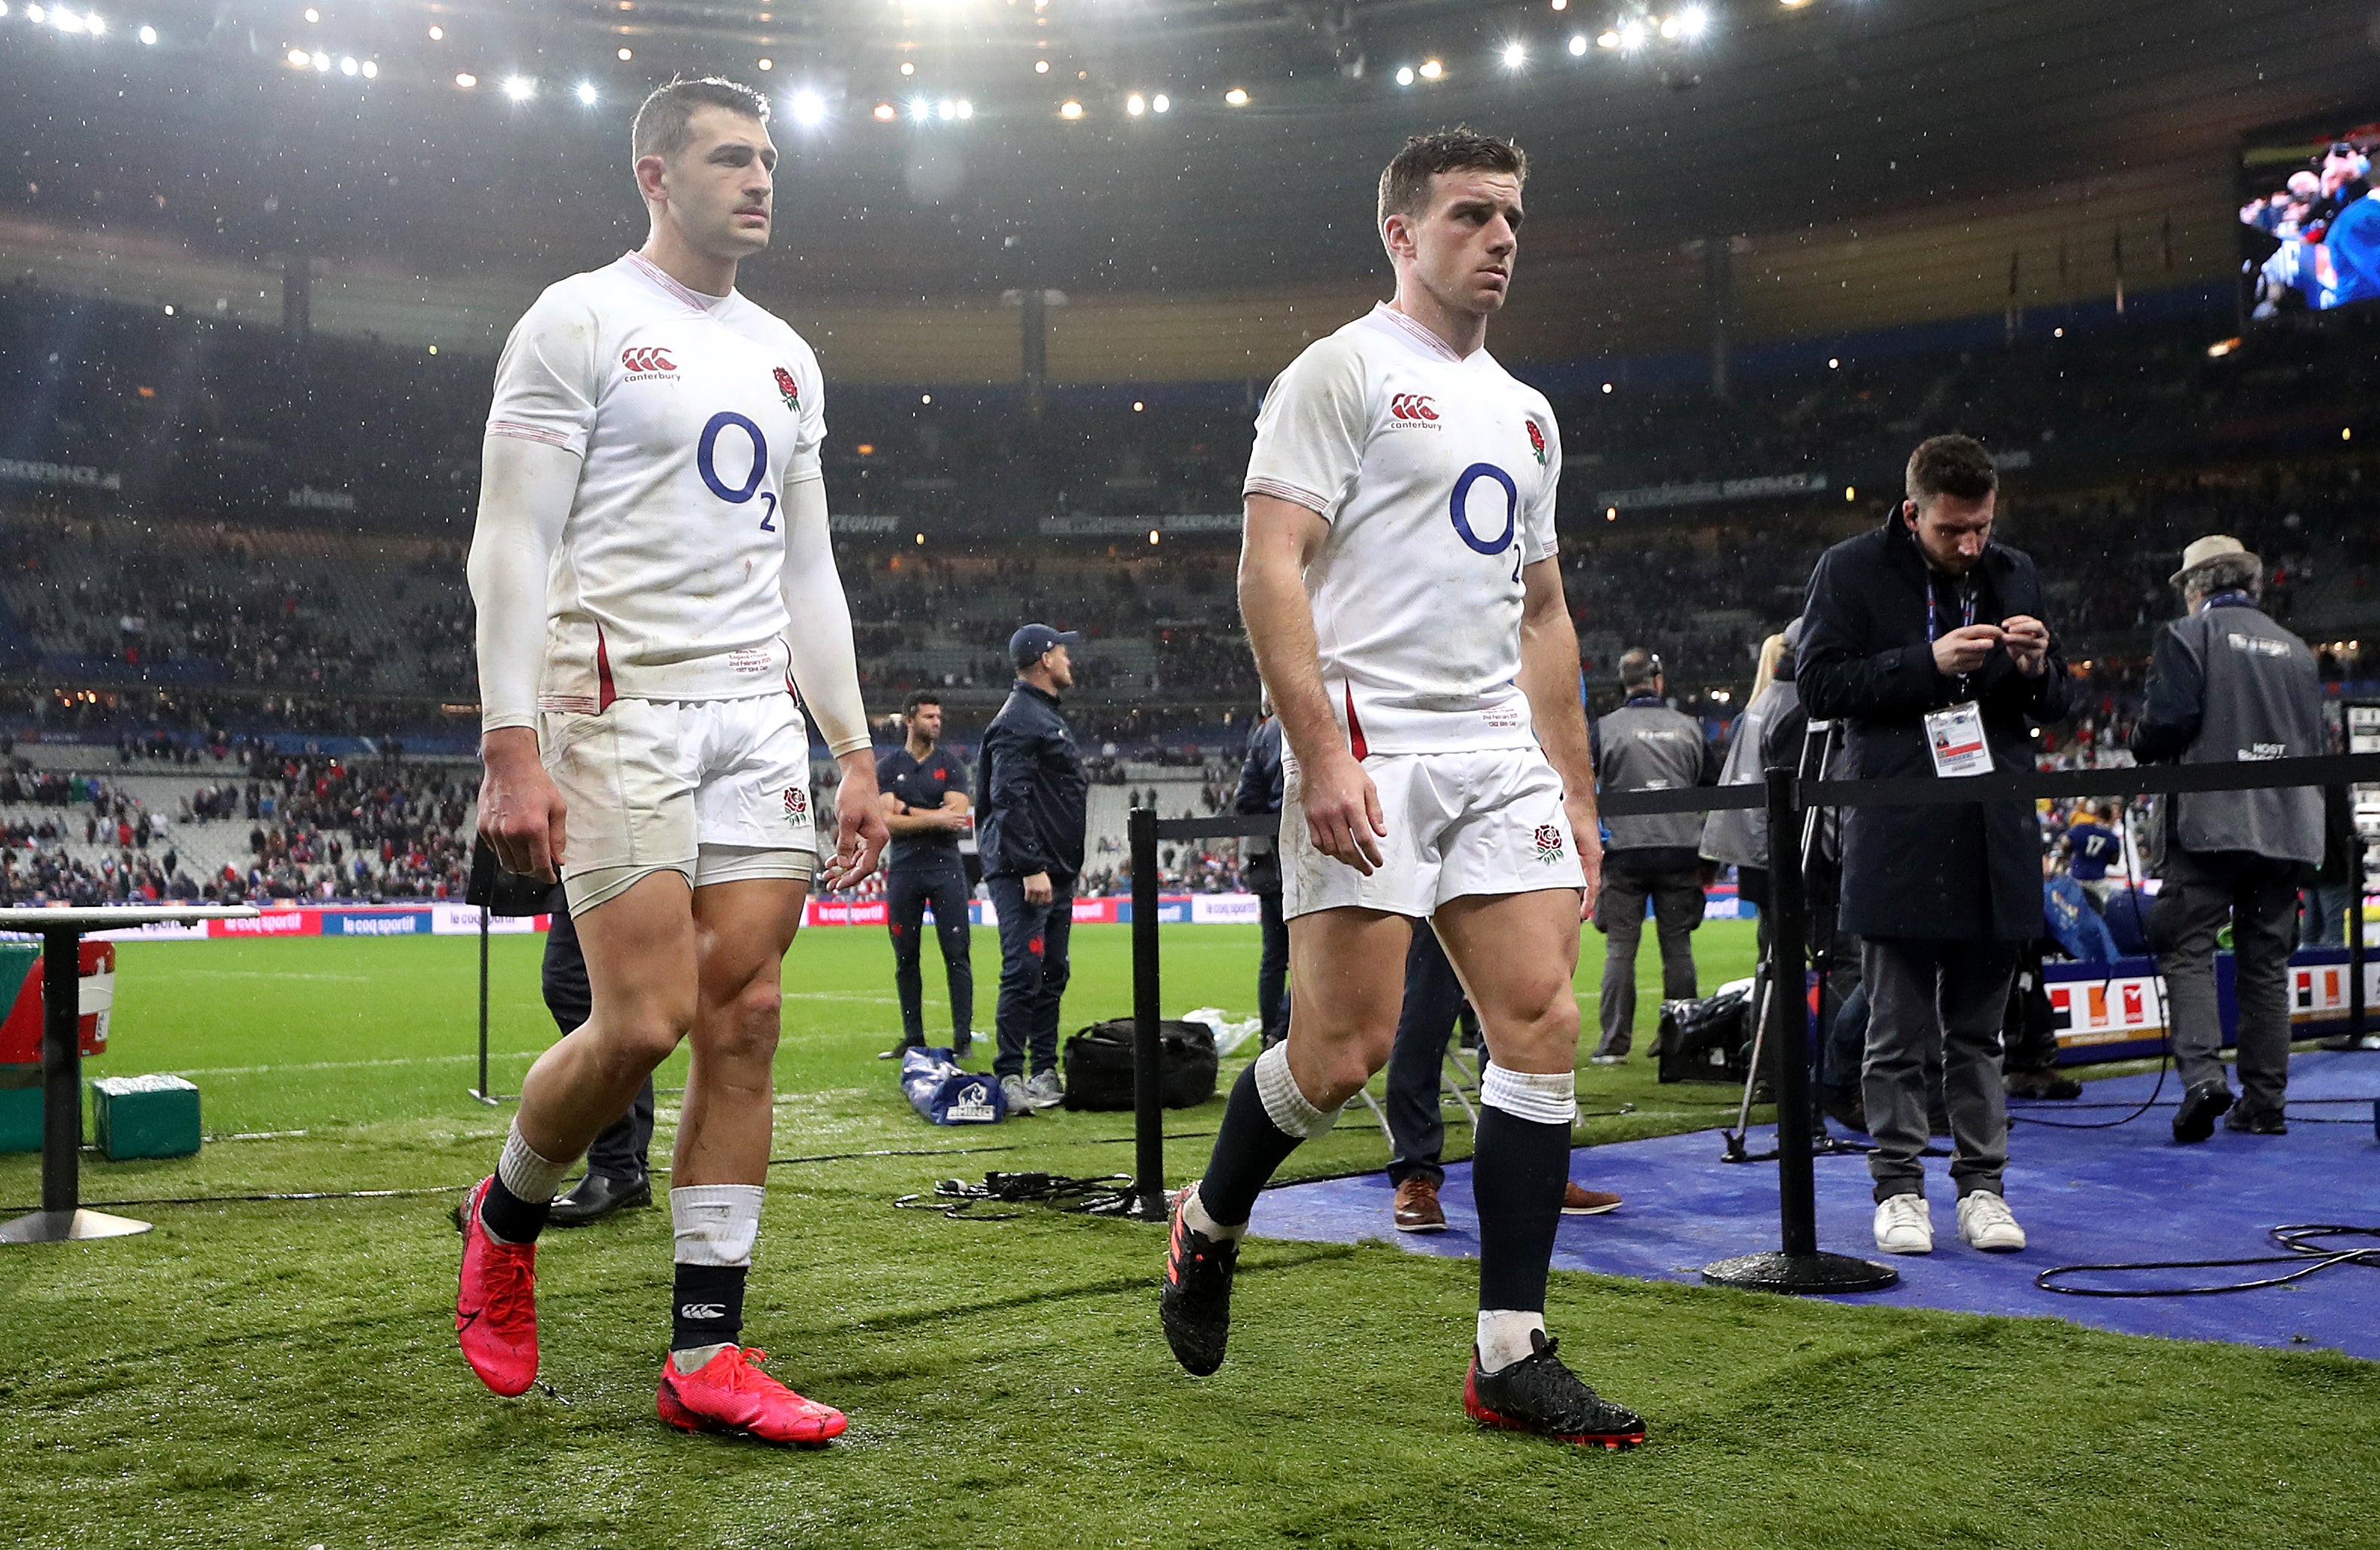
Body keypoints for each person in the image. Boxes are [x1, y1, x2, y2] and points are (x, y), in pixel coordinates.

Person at [1160, 127, 1644, 1448]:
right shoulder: (1340, 372)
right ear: (1402, 231)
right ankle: (1207, 1224)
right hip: (1371, 748)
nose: (1499, 238)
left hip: (1495, 752)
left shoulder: (1532, 412)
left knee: (1537, 1021)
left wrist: (1578, 792)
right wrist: (1318, 752)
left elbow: (1543, 612)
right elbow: (1269, 567)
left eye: (1511, 218)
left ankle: (1510, 1346)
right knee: (1340, 1052)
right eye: (1472, 215)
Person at [459, 78, 887, 1445]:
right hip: (614, 695)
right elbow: (510, 541)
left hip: (752, 712)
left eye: (767, 158)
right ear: (655, 174)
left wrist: (855, 747)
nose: (759, 179)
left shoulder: (786, 356)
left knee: (745, 1013)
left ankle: (707, 1347)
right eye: (728, 157)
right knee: (641, 1022)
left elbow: (807, 570)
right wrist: (509, 741)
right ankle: (508, 1205)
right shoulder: (579, 319)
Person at [1797, 434, 2069, 1257]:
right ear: (1911, 511)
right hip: (1900, 828)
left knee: (1980, 1035)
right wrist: (1926, 661)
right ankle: (1898, 1187)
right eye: (1953, 530)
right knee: (1895, 1032)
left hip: (1993, 831)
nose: (1970, 545)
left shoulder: (2011, 572)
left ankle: (1982, 1186)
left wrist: (2034, 666)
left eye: (1981, 526)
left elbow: (2052, 703)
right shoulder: (1848, 570)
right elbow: (1817, 684)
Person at [2129, 535, 2324, 1141]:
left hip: (2209, 825)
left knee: (2186, 945)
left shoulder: (2188, 636)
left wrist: (2139, 738)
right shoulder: (2297, 650)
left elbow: (2166, 725)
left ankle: (2201, 1080)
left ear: (2196, 588)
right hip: (2286, 825)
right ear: (2251, 585)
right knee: (2265, 963)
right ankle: (2264, 1102)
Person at [1385, 924, 1622, 1232]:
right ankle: (1415, 1174)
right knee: (1426, 1016)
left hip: (1513, 883)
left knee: (1522, 1020)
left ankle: (1531, 1173)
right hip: (1434, 884)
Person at [977, 623, 1088, 1113]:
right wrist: (1029, 866)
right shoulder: (1020, 718)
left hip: (1053, 869)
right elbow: (1007, 795)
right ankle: (1008, 1074)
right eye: (1063, 651)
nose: (1069, 659)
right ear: (1045, 658)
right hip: (1028, 870)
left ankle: (1043, 1068)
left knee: (1051, 970)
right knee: (1024, 967)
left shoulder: (1041, 715)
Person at [1588, 648, 1718, 1063]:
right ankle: (1681, 1042)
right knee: (1677, 949)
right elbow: (1715, 791)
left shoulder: (1605, 729)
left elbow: (1584, 787)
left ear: (1624, 682)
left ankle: (1613, 1045)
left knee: (1620, 950)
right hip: (1680, 850)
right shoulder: (1689, 728)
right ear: (1657, 680)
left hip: (1624, 852)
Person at [541, 883, 657, 1226]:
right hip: (605, 844)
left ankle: (619, 1163)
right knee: (615, 992)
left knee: (574, 982)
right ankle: (626, 1164)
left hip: (613, 842)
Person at [876, 690, 975, 1061]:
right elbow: (887, 823)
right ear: (910, 720)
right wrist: (931, 816)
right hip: (905, 871)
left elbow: (956, 820)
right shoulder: (887, 767)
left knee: (956, 953)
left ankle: (962, 1037)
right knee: (905, 956)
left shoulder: (951, 765)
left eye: (939, 717)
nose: (937, 723)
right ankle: (913, 1037)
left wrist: (907, 810)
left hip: (946, 869)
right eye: (929, 717)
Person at [1699, 625, 1795, 954]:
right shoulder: (1790, 712)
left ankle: (1770, 1004)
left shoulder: (1749, 718)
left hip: (1755, 850)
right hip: (1789, 845)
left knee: (1770, 943)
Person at [1234, 700, 1290, 1046]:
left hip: (1267, 863)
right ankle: (1285, 1029)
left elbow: (1245, 800)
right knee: (1310, 954)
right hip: (1300, 858)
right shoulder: (1304, 722)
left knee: (1274, 957)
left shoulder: (1264, 733)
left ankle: (1272, 1032)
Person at [2062, 805, 2122, 912]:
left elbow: (2065, 845)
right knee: (2099, 912)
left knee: (2074, 913)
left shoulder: (2080, 829)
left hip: (2078, 878)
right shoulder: (2111, 837)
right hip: (2098, 880)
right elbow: (2115, 860)